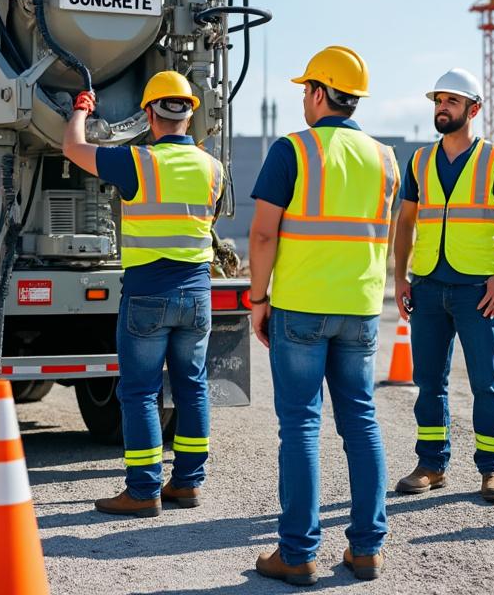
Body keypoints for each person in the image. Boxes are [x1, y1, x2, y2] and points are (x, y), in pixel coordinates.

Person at [248, 46, 397, 585]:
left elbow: (264, 233)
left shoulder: (292, 150)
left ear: (317, 92)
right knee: (361, 423)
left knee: (302, 428)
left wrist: (257, 299)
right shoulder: (386, 159)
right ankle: (367, 551)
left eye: (304, 91)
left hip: (301, 309)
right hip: (360, 310)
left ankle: (297, 554)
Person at [61, 70, 222, 518]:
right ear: (190, 113)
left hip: (148, 292)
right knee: (192, 388)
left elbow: (72, 148)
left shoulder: (137, 162)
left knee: (139, 392)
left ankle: (143, 490)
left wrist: (81, 109)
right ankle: (188, 483)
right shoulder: (214, 168)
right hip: (196, 292)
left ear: (149, 113)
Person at [392, 68, 494, 503]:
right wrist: (400, 276)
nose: (442, 108)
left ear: (473, 109)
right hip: (429, 286)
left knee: (486, 382)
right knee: (428, 381)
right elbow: (406, 222)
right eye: (438, 101)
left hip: (478, 289)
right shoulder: (418, 161)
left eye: (451, 102)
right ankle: (431, 464)